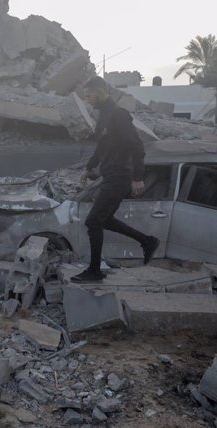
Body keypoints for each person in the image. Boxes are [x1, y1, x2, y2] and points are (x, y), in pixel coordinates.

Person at [71, 76, 160, 283]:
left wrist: (138, 177)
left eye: (89, 95)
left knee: (93, 221)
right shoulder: (104, 116)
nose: (88, 100)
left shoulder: (119, 114)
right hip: (110, 175)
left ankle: (94, 271)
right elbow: (102, 147)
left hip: (120, 176)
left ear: (100, 92)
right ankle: (147, 242)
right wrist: (88, 168)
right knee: (105, 220)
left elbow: (137, 146)